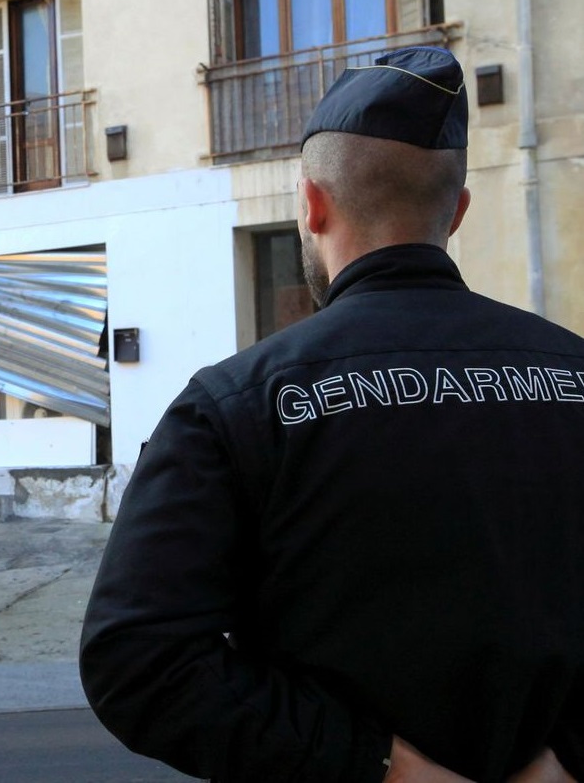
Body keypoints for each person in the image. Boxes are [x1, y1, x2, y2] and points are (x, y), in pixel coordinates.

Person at [80, 46, 584, 783]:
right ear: (458, 212)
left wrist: (381, 765)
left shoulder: (236, 403)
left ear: (312, 205)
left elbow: (137, 661)